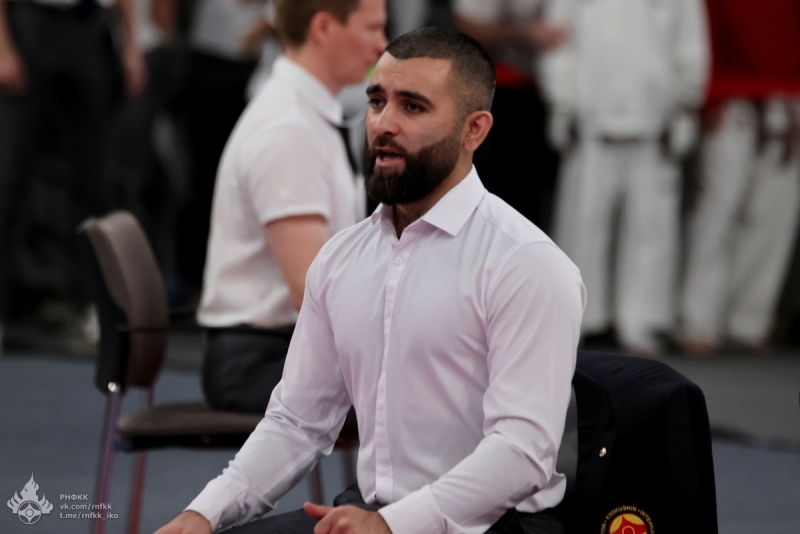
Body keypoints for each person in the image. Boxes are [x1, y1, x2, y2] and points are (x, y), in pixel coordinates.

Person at [156, 26, 585, 534]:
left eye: (413, 107)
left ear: (475, 130)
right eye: (377, 101)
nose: (383, 123)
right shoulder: (342, 258)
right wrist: (204, 513)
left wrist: (391, 525)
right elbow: (297, 423)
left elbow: (522, 453)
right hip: (369, 512)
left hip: (494, 526)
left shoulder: (527, 264)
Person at [196, 0, 387, 414]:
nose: (381, 46)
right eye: (372, 29)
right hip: (260, 361)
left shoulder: (305, 114)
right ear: (323, 28)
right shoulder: (289, 129)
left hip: (281, 348)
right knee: (427, 399)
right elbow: (315, 292)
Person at [540, 0, 709, 355]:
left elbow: (690, 44)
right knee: (582, 224)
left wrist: (685, 107)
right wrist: (562, 101)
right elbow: (558, 41)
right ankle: (580, 318)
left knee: (651, 230)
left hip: (654, 123)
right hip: (591, 122)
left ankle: (641, 320)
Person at [0, 0, 146, 349]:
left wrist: (131, 45)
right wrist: (3, 47)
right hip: (29, 23)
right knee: (10, 178)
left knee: (94, 179)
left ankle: (89, 303)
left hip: (88, 25)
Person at [680, 0, 800, 355]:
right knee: (717, 211)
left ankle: (747, 320)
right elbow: (699, 20)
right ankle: (697, 320)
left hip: (788, 94)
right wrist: (706, 96)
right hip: (730, 93)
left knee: (774, 218)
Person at [453, 0, 567, 232]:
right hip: (498, 92)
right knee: (490, 201)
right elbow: (467, 22)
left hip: (545, 96)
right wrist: (524, 32)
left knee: (530, 205)